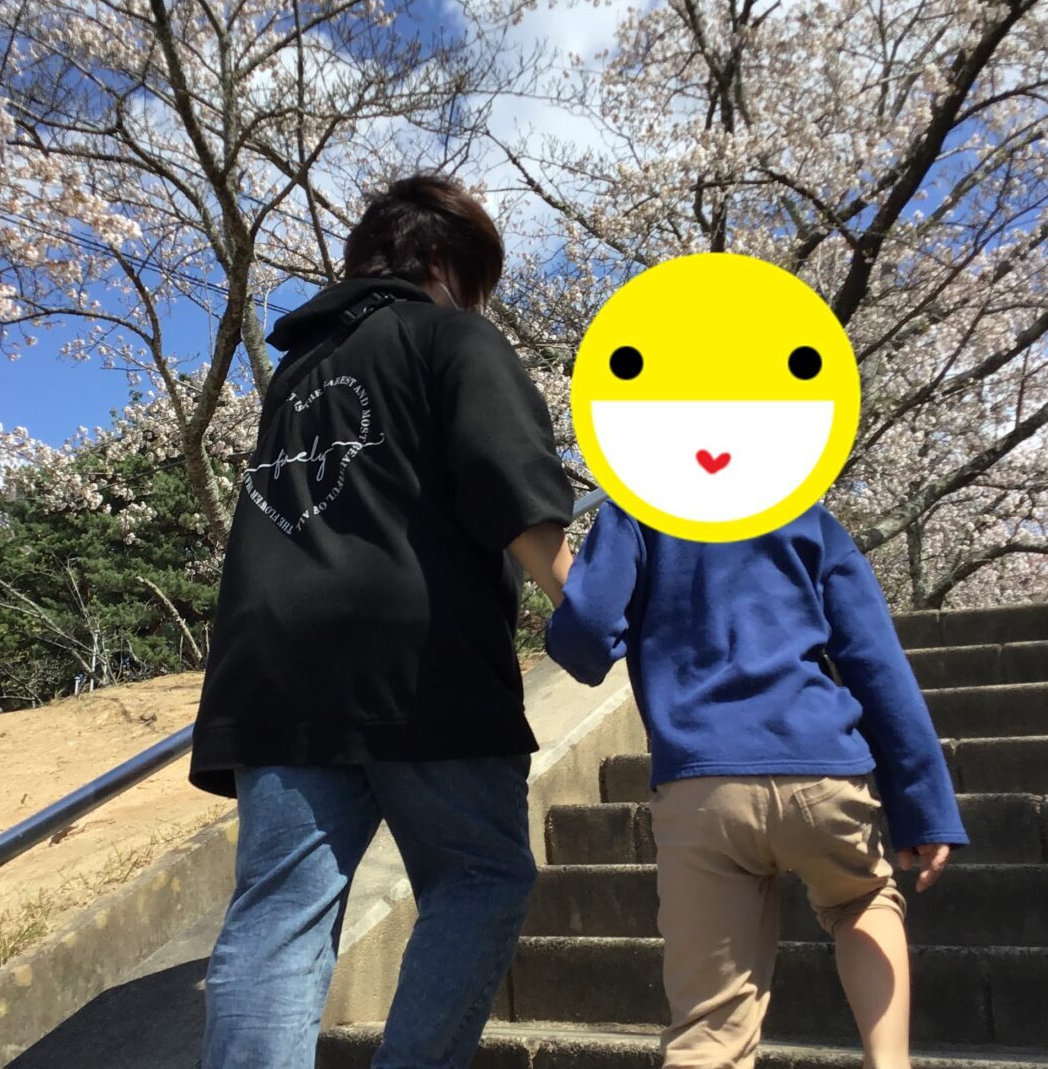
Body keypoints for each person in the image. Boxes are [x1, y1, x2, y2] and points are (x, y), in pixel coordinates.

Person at [189, 173, 574, 1069]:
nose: (477, 302)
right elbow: (509, 479)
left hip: (273, 675)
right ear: (440, 260)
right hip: (420, 664)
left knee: (279, 916)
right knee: (480, 876)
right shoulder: (450, 336)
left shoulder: (295, 375)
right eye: (475, 281)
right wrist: (588, 605)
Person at [544, 499, 968, 1069]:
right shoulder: (807, 516)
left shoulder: (637, 510)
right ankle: (889, 1062)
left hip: (703, 784)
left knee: (708, 1034)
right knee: (862, 899)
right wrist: (923, 803)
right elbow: (875, 661)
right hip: (822, 769)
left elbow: (588, 635)